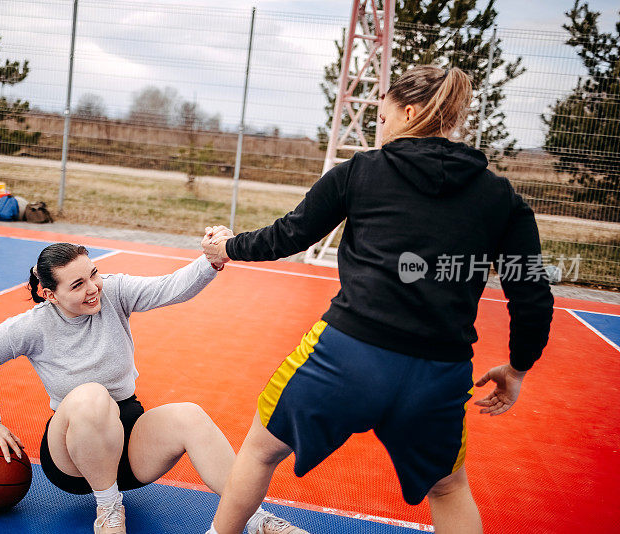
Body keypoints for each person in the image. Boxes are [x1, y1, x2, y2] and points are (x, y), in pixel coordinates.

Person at [201, 65, 555, 534]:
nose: (380, 129)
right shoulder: (500, 196)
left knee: (260, 450)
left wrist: (225, 247)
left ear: (408, 112)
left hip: (346, 354)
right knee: (448, 489)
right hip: (439, 372)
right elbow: (531, 293)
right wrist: (518, 368)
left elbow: (288, 236)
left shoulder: (361, 172)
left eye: (383, 118)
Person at [0, 240, 305, 534]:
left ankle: (255, 518)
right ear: (50, 294)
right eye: (77, 284)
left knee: (190, 414)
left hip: (129, 443)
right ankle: (108, 511)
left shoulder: (112, 293)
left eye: (93, 274)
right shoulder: (31, 327)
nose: (93, 287)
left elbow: (170, 287)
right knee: (91, 395)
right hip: (73, 456)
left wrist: (211, 261)